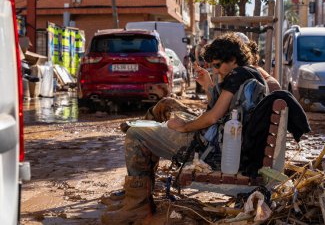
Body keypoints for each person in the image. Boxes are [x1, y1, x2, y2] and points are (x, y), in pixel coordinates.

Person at [100, 33, 267, 225]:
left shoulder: (237, 75)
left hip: (212, 151)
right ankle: (135, 198)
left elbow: (213, 116)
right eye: (212, 66)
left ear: (233, 59)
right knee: (158, 121)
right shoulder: (251, 75)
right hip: (225, 145)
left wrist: (184, 127)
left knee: (135, 135)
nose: (216, 70)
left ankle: (136, 207)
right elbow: (223, 111)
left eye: (218, 65)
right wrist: (209, 87)